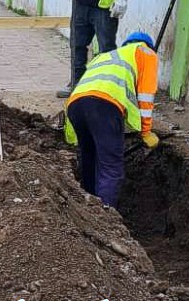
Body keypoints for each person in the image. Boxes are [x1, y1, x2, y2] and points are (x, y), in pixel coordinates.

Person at [66, 32, 159, 210]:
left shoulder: (106, 56)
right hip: (104, 106)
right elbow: (146, 97)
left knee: (89, 159)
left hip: (75, 105)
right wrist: (146, 132)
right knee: (110, 167)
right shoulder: (145, 53)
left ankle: (88, 208)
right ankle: (106, 218)